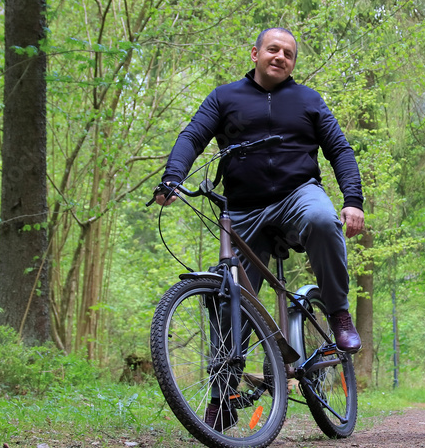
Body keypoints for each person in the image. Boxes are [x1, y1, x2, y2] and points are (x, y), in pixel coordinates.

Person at [154, 28, 363, 427]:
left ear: (293, 63)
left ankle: (337, 311)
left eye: (288, 53)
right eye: (273, 49)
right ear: (255, 53)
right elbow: (193, 135)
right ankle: (225, 393)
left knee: (322, 218)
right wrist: (173, 177)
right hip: (243, 209)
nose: (280, 57)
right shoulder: (225, 97)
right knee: (225, 296)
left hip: (296, 193)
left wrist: (352, 200)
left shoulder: (307, 100)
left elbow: (339, 149)